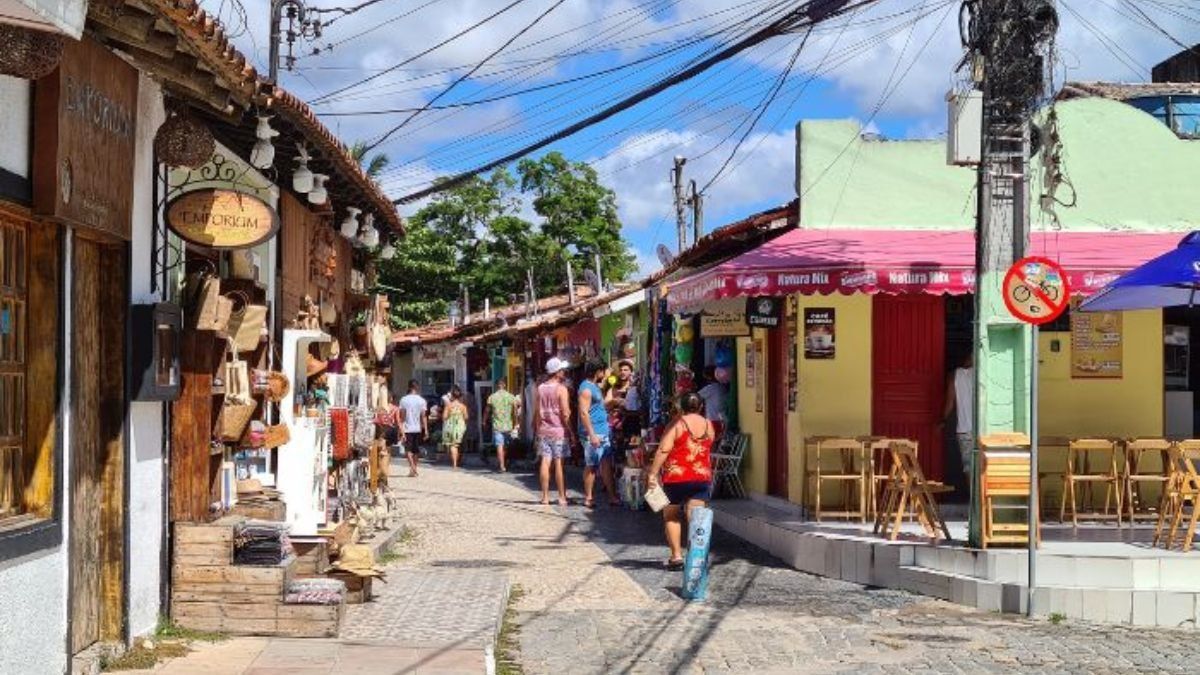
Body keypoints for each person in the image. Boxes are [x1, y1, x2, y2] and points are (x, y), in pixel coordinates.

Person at [647, 392, 714, 570]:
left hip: (676, 477)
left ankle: (676, 557)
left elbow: (663, 449)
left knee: (671, 515)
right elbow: (708, 445)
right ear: (701, 407)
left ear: (682, 407)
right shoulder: (709, 425)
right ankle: (695, 557)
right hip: (701, 477)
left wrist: (653, 473)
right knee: (696, 519)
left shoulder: (677, 424)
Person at [533, 357, 572, 506]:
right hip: (559, 431)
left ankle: (545, 497)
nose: (564, 372)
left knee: (545, 461)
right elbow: (566, 413)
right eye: (562, 370)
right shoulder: (562, 389)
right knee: (559, 464)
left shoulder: (540, 388)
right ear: (557, 372)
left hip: (544, 431)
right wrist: (571, 432)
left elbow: (537, 412)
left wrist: (538, 430)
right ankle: (562, 497)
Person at [579, 360, 618, 508]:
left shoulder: (595, 386)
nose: (604, 374)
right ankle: (589, 498)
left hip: (603, 431)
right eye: (603, 371)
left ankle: (612, 496)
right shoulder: (586, 389)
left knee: (606, 464)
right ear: (597, 371)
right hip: (593, 433)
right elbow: (584, 413)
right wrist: (592, 434)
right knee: (591, 466)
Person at [943, 352, 975, 480]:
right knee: (983, 466)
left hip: (964, 429)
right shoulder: (982, 374)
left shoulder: (954, 375)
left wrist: (942, 420)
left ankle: (972, 498)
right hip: (982, 430)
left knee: (968, 466)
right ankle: (980, 498)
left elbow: (949, 402)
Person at [485, 378, 521, 473]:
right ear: (505, 385)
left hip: (497, 425)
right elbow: (515, 412)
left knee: (499, 445)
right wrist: (516, 423)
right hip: (508, 425)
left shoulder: (492, 397)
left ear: (497, 385)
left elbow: (487, 410)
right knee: (504, 445)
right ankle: (503, 462)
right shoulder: (511, 397)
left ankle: (502, 465)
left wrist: (484, 421)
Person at [399, 380, 429, 477]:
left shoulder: (404, 400)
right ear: (417, 387)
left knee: (408, 449)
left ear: (409, 387)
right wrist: (426, 430)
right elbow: (423, 416)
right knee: (416, 450)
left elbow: (402, 416)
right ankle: (414, 468)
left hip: (407, 428)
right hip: (417, 428)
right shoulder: (422, 400)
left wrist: (401, 430)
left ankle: (412, 467)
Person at [442, 385, 469, 469]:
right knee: (458, 445)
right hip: (460, 428)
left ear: (452, 396)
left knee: (453, 445)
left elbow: (444, 417)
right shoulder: (463, 406)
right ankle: (457, 462)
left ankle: (454, 464)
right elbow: (466, 417)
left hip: (450, 427)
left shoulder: (448, 406)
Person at [697, 366, 728, 437]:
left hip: (713, 420)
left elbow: (695, 396)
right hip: (723, 418)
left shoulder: (711, 388)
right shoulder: (722, 387)